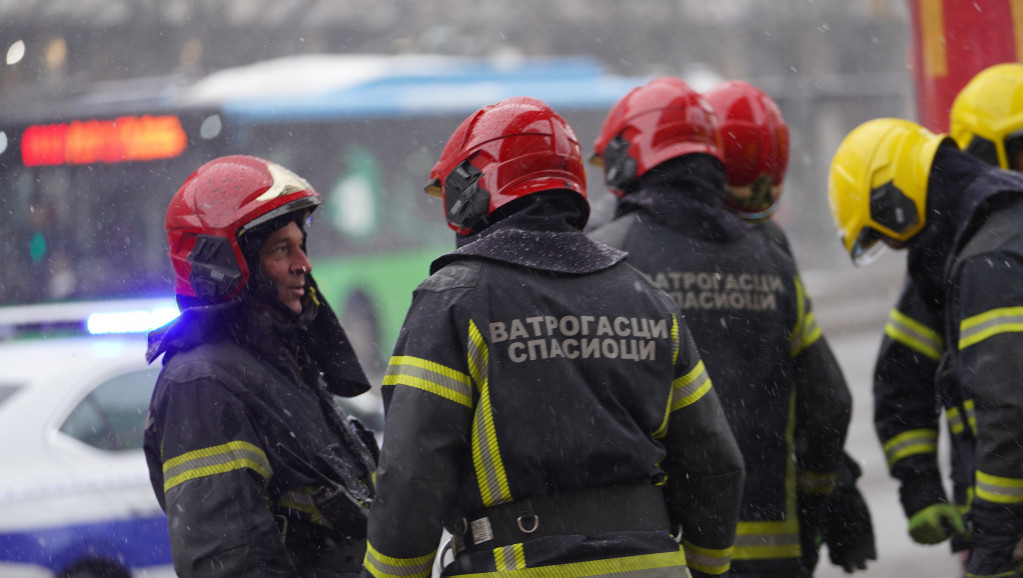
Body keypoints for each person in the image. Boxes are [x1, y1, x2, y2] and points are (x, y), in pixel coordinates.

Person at [361, 96, 745, 578]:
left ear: (473, 191)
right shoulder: (648, 299)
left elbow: (412, 475)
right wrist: (707, 568)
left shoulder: (453, 301)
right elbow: (715, 462)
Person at [587, 76, 852, 578]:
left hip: (660, 552)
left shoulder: (609, 256)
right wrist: (822, 502)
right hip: (770, 551)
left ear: (629, 157)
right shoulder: (771, 262)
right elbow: (829, 402)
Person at [143, 155, 378, 577]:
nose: (302, 264)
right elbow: (229, 563)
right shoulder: (201, 385)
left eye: (301, 245)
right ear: (226, 266)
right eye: (280, 250)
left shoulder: (282, 363)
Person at [828, 117, 1023, 578]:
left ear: (893, 202)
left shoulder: (986, 261)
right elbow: (901, 378)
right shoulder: (985, 231)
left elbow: (1009, 414)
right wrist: (919, 485)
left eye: (882, 234)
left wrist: (995, 544)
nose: (896, 248)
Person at [703, 79, 876, 575]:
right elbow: (821, 394)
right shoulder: (768, 247)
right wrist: (832, 487)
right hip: (770, 534)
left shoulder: (630, 235)